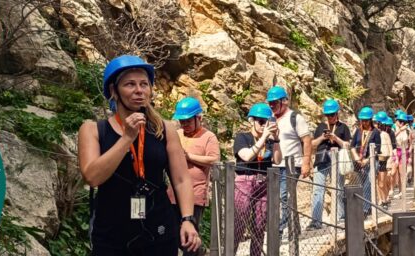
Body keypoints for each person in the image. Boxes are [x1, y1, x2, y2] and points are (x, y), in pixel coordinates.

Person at [78, 55, 200, 255]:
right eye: (129, 84)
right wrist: (127, 138)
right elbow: (92, 177)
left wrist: (187, 219)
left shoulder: (164, 129)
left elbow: (180, 179)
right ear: (113, 91)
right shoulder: (93, 130)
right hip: (111, 232)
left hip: (159, 229)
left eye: (144, 84)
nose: (138, 90)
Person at [166, 96, 220, 256]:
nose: (184, 125)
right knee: (172, 234)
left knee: (190, 236)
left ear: (199, 118)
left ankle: (198, 252)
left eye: (188, 121)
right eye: (182, 121)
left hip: (195, 195)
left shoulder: (208, 137)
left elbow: (214, 159)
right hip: (172, 195)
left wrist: (188, 156)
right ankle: (201, 252)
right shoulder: (177, 135)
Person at [231, 103, 278, 256]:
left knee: (259, 225)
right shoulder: (242, 137)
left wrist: (276, 139)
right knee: (238, 224)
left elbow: (277, 160)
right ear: (252, 121)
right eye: (260, 121)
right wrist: (263, 137)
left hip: (263, 182)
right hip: (244, 181)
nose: (263, 125)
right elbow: (246, 156)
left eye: (266, 122)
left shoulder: (270, 142)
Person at [265, 85, 313, 232]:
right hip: (274, 165)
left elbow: (307, 140)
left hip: (292, 165)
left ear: (284, 101)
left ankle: (278, 231)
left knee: (284, 196)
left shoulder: (295, 118)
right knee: (283, 197)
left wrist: (306, 163)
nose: (272, 105)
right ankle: (295, 228)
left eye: (275, 102)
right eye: (270, 103)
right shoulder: (270, 120)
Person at [305, 98, 350, 230]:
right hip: (321, 160)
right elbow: (312, 144)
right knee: (318, 191)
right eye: (328, 115)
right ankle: (316, 221)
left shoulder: (343, 127)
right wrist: (322, 138)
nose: (330, 117)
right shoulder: (320, 127)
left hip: (337, 161)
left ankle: (339, 217)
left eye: (332, 115)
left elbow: (347, 145)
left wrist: (335, 138)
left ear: (337, 114)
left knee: (338, 188)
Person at [350, 106, 381, 215]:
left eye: (366, 120)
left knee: (368, 184)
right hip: (359, 162)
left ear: (370, 120)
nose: (364, 122)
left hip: (372, 162)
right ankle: (367, 206)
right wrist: (357, 158)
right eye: (362, 120)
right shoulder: (358, 131)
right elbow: (352, 146)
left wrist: (366, 161)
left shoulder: (376, 132)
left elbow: (377, 150)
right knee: (361, 185)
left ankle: (365, 209)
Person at [373, 111, 394, 209]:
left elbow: (390, 149)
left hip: (384, 160)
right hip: (376, 159)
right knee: (378, 182)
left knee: (382, 182)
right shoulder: (374, 133)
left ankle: (385, 199)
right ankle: (381, 199)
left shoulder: (385, 134)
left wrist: (390, 162)